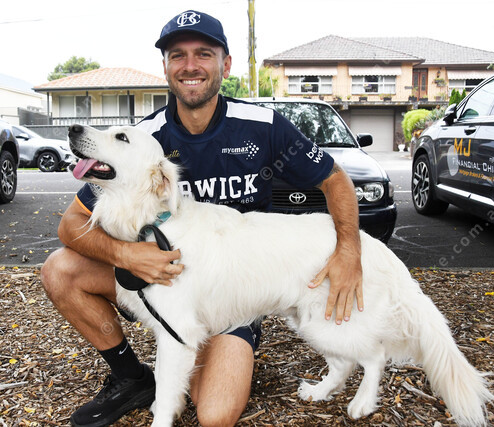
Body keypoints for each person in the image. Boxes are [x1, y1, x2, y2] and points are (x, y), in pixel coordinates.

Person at [41, 9, 363, 427]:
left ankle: (207, 348)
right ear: (165, 67)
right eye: (177, 55)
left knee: (214, 414)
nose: (190, 65)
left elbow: (335, 180)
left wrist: (349, 249)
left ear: (225, 65)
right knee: (60, 269)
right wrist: (126, 255)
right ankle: (131, 378)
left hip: (230, 290)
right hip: (158, 280)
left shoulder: (262, 126)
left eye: (204, 54)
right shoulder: (143, 139)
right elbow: (70, 224)